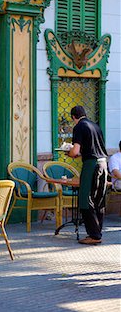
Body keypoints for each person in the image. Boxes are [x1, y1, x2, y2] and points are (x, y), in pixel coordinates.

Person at [67, 105, 108, 245]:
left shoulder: (79, 126)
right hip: (103, 164)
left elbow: (75, 151)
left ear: (74, 117)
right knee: (99, 199)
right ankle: (98, 232)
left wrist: (69, 152)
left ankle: (94, 235)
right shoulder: (95, 126)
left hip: (91, 166)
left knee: (85, 198)